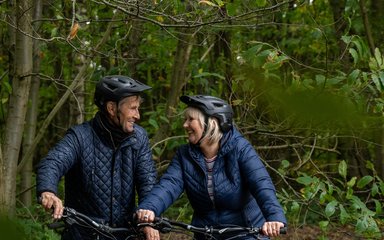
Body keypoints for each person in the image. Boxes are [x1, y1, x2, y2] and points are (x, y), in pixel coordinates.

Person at [136, 95, 287, 239]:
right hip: (206, 233)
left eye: (191, 119)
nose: (185, 124)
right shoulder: (184, 155)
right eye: (185, 119)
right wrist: (149, 208)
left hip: (246, 232)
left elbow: (261, 184)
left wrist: (274, 218)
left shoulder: (240, 149)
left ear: (212, 123)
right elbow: (169, 185)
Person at [36, 75, 160, 240]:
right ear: (111, 108)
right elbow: (53, 162)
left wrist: (148, 218)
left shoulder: (139, 137)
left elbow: (148, 182)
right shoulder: (80, 137)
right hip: (83, 234)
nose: (138, 115)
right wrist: (48, 191)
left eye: (138, 108)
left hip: (124, 234)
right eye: (132, 108)